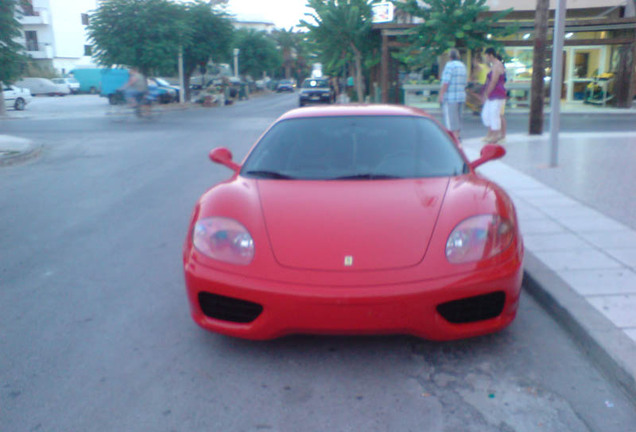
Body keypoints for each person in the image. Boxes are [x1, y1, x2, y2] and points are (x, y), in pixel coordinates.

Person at [438, 49, 467, 141]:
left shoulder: (449, 66)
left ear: (450, 57)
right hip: (461, 96)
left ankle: (452, 138)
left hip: (450, 97)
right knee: (458, 117)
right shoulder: (463, 66)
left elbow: (446, 82)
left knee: (450, 119)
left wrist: (441, 95)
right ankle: (457, 136)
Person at [480, 48, 507, 143]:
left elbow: (494, 81)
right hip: (493, 94)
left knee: (494, 114)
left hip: (497, 94)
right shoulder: (494, 65)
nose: (486, 58)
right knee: (487, 114)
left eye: (486, 56)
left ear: (490, 55)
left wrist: (487, 92)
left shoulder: (497, 65)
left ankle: (495, 136)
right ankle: (491, 134)